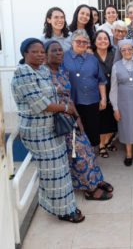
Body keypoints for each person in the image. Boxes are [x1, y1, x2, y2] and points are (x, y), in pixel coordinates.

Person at [11, 38, 85, 223]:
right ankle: (65, 211)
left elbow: (51, 92)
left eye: (41, 52)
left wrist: (60, 95)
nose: (39, 55)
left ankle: (58, 205)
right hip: (38, 132)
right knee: (54, 172)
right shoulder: (23, 74)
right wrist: (66, 109)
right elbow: (40, 104)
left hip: (51, 128)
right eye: (34, 52)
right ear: (24, 54)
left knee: (58, 170)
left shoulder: (42, 70)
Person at [45, 40, 113, 200]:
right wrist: (68, 111)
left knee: (87, 149)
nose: (59, 53)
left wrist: (77, 117)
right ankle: (89, 189)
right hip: (56, 120)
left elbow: (68, 97)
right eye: (54, 51)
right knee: (79, 153)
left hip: (70, 116)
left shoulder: (62, 70)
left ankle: (95, 180)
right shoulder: (43, 74)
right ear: (46, 54)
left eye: (60, 50)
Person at [63, 29, 107, 155]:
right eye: (78, 41)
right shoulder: (64, 57)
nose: (82, 44)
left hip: (92, 101)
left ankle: (91, 157)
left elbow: (101, 81)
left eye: (85, 42)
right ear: (72, 42)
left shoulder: (92, 59)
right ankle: (76, 157)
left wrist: (103, 98)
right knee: (74, 131)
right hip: (72, 102)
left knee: (92, 130)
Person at [110, 39, 133, 166]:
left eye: (129, 49)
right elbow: (113, 89)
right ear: (120, 52)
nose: (127, 51)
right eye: (123, 50)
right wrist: (115, 108)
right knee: (127, 125)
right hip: (124, 101)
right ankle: (129, 154)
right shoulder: (116, 66)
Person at [92, 30, 118, 157]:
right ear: (95, 41)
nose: (103, 41)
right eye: (100, 38)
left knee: (112, 119)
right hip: (97, 92)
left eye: (106, 38)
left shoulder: (114, 54)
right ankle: (101, 145)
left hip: (114, 90)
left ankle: (108, 142)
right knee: (101, 119)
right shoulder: (91, 56)